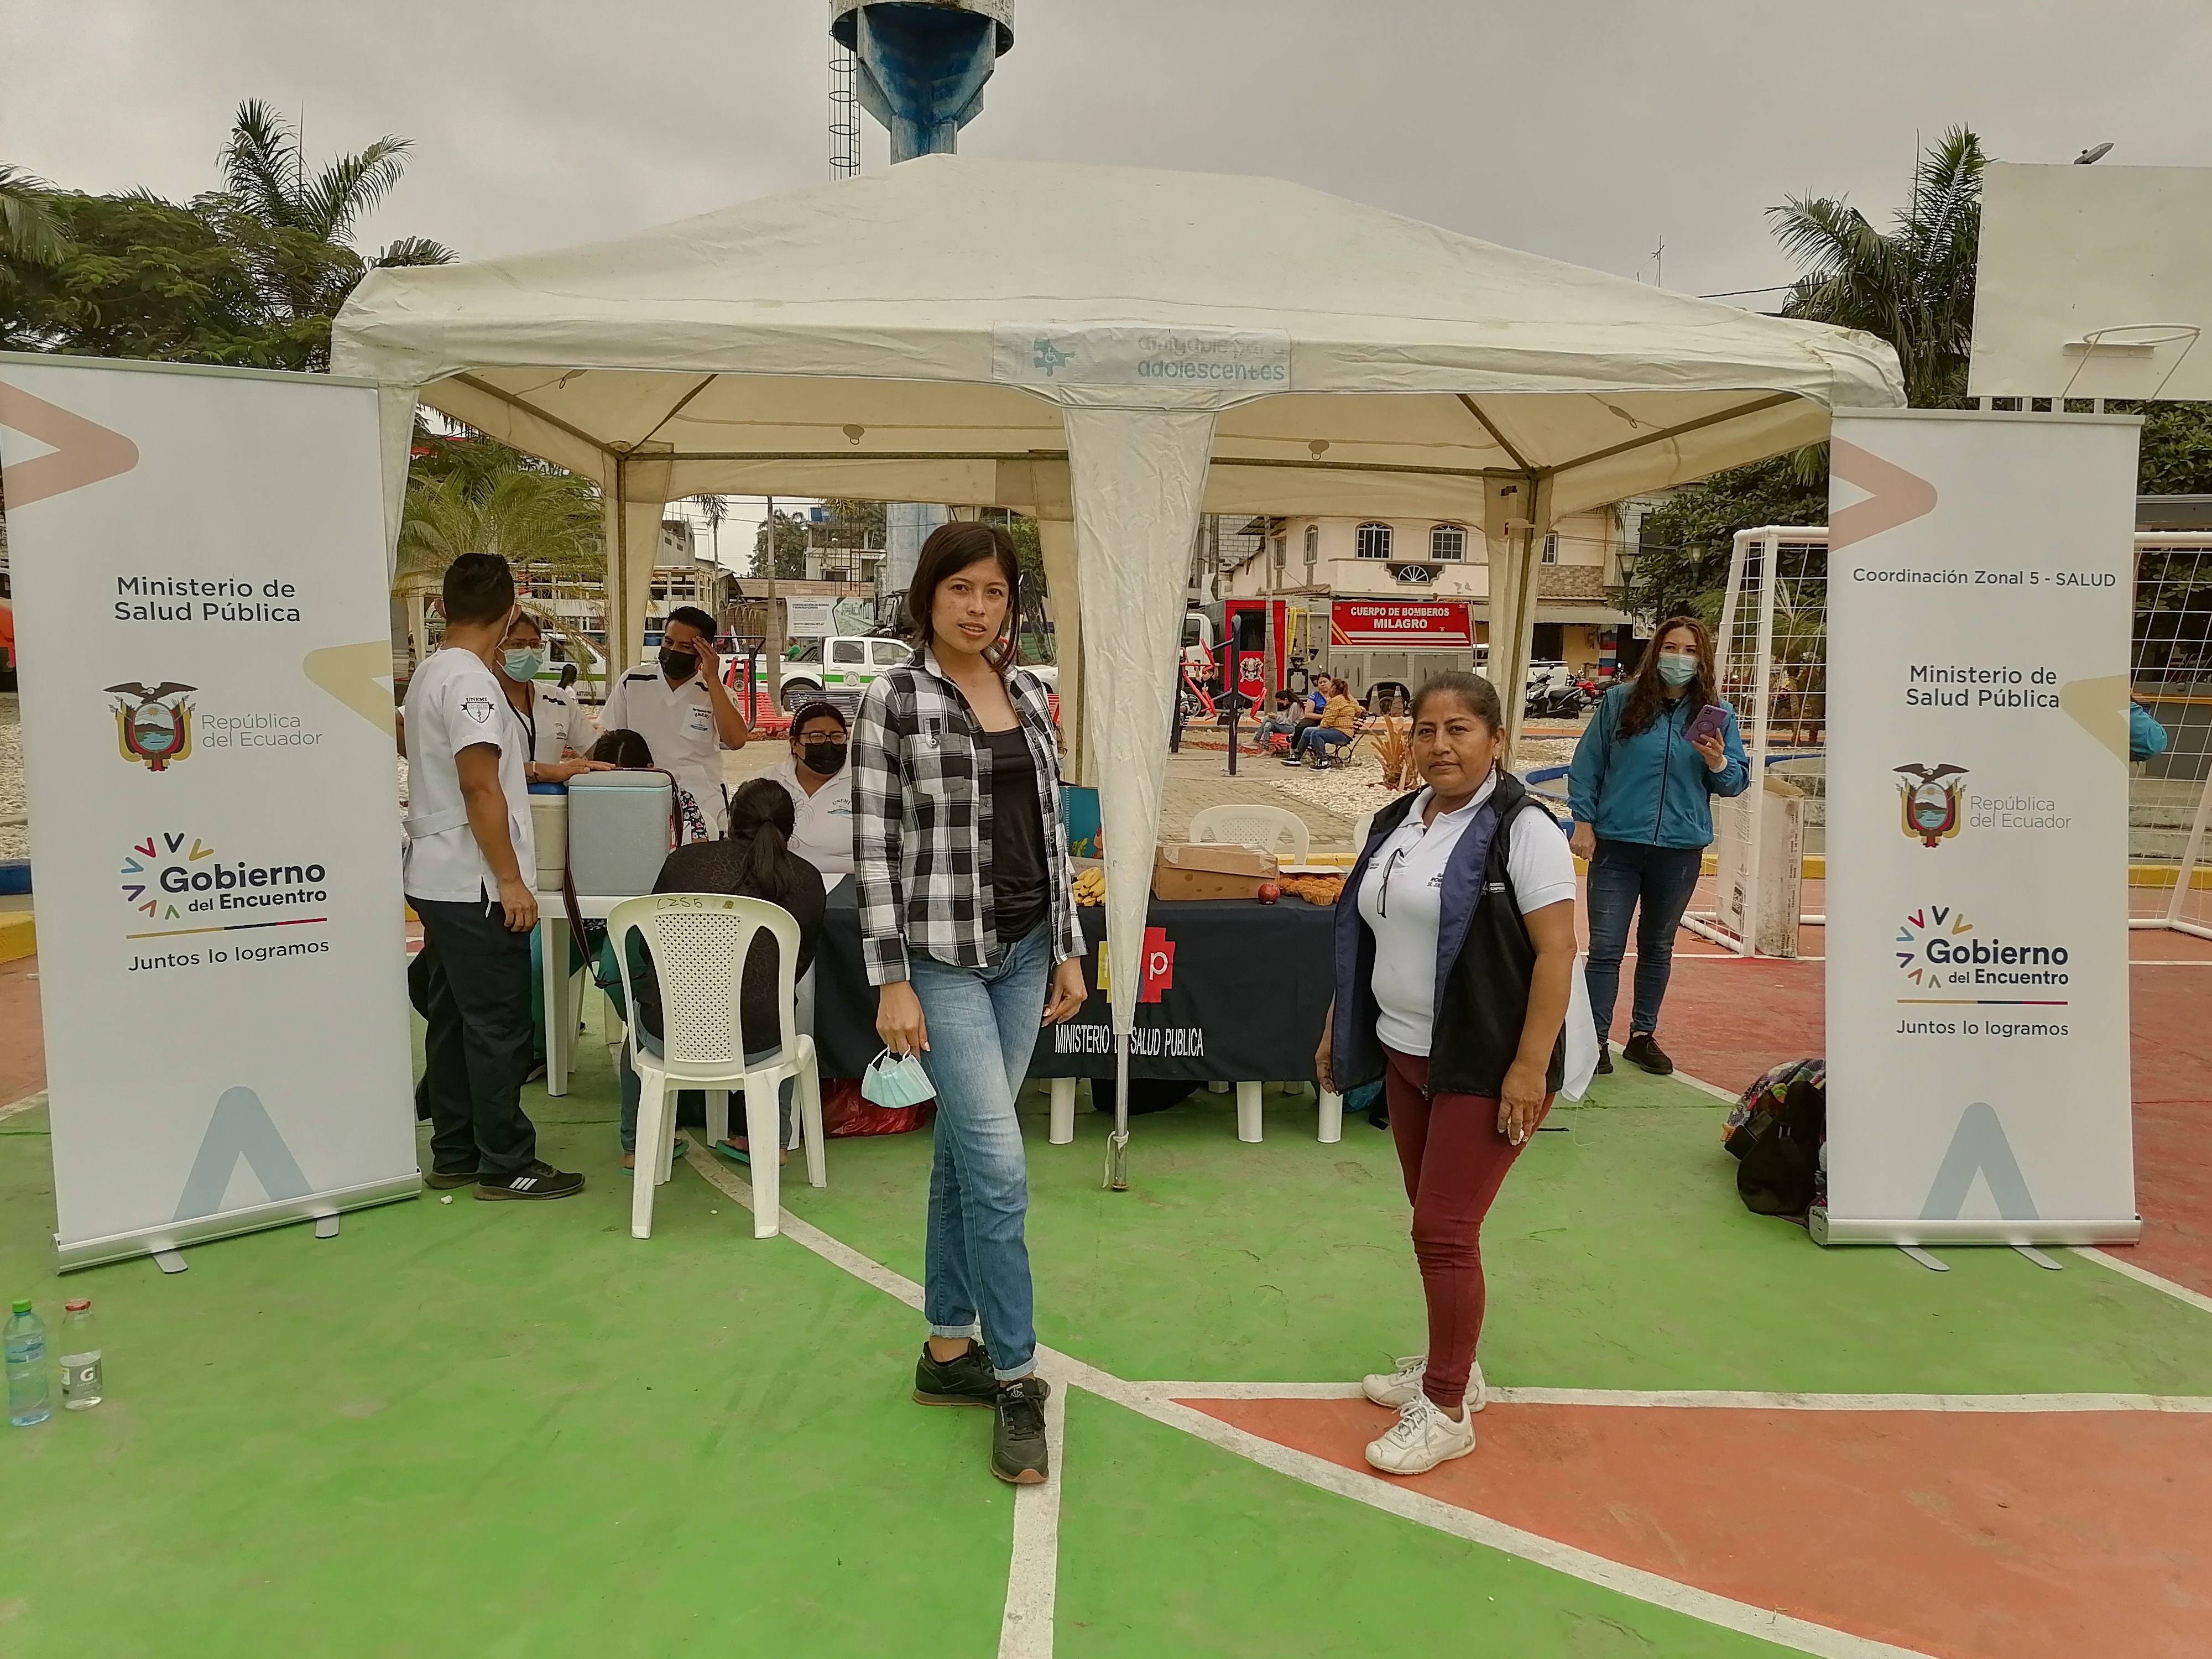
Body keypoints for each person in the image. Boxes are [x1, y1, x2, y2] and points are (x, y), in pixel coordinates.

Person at [852, 521, 1088, 1487]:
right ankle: (1018, 1377)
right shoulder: (892, 700)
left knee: (962, 1158)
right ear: (928, 596)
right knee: (999, 1170)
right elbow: (874, 850)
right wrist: (891, 977)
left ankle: (948, 1349)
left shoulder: (1027, 692)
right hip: (942, 962)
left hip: (1026, 953)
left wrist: (1069, 946)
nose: (978, 607)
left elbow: (1052, 829)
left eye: (994, 591)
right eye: (961, 589)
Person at [1316, 671, 1579, 1475]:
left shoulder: (1523, 829)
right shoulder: (1399, 819)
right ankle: (1455, 1364)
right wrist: (1337, 1024)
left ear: (1496, 741)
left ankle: (1447, 1407)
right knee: (1434, 1222)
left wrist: (1528, 1068)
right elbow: (1367, 933)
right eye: (1426, 730)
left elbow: (1558, 952)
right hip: (1405, 1051)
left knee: (1444, 1233)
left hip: (1484, 1060)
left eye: (1459, 729)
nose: (1440, 745)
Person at [400, 552, 585, 1202]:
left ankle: (455, 1149)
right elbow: (481, 787)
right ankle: (506, 1162)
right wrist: (510, 880)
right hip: (474, 880)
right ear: (509, 613)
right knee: (498, 1027)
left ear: (442, 607)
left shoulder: (430, 672)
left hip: (437, 875)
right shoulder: (472, 684)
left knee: (454, 1021)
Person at [606, 779, 826, 1171]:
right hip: (761, 1041)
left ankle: (638, 1145)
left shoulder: (684, 862)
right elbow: (797, 966)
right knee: (781, 1016)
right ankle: (773, 1141)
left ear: (731, 819)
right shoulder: (807, 879)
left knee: (636, 1034)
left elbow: (646, 949)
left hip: (671, 1033)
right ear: (790, 828)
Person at [1567, 615, 1749, 1077]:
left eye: (1690, 651)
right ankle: (1594, 1041)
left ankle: (1642, 1036)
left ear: (1702, 659)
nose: (1679, 659)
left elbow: (1734, 783)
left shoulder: (1716, 714)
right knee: (1606, 948)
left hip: (1680, 849)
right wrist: (1584, 822)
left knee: (1657, 946)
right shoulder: (1620, 703)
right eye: (1671, 648)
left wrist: (1719, 761)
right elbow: (1588, 764)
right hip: (1617, 845)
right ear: (1655, 652)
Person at [598, 604, 752, 842]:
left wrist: (712, 678)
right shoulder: (634, 681)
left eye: (685, 647)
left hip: (703, 808)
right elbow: (609, 739)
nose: (672, 651)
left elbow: (736, 740)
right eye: (668, 642)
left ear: (704, 650)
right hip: (642, 800)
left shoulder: (716, 692)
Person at [494, 612, 607, 784]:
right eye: (517, 644)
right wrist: (542, 771)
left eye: (535, 644)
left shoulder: (558, 699)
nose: (528, 652)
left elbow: (596, 752)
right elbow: (473, 768)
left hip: (550, 800)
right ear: (495, 649)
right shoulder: (481, 699)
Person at [764, 701, 855, 877]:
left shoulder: (864, 784)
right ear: (795, 743)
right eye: (817, 737)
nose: (828, 743)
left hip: (849, 885)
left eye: (837, 736)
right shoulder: (767, 782)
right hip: (779, 882)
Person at [1287, 677, 1360, 769]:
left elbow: (1327, 721)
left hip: (1342, 733)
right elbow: (1358, 708)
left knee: (1316, 734)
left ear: (1333, 688)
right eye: (1320, 682)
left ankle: (1323, 761)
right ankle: (1296, 757)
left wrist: (1320, 727)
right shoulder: (1347, 698)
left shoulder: (1336, 701)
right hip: (1340, 731)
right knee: (1308, 731)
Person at [1248, 689, 1306, 757]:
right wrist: (1276, 718)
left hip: (1292, 728)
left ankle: (1256, 740)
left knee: (1267, 719)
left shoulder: (1295, 705)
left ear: (1286, 700)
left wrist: (1276, 717)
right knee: (1268, 725)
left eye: (1279, 701)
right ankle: (1266, 749)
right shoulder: (1288, 706)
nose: (1279, 703)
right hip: (1287, 726)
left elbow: (1289, 722)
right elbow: (1284, 719)